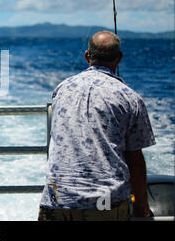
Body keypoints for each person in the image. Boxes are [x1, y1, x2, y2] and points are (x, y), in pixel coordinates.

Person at [38, 30, 156, 221]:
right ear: (119, 58)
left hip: (58, 197)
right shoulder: (130, 98)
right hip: (106, 203)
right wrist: (142, 207)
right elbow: (135, 159)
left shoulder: (61, 89)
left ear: (87, 56)